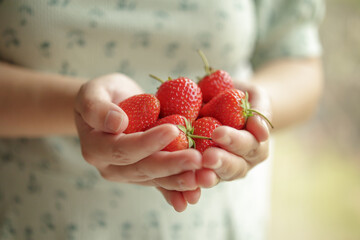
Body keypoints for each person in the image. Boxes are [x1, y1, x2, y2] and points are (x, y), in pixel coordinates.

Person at [0, 0, 324, 239]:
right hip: (37, 216)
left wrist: (254, 117)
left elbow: (298, 60)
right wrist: (78, 107)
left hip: (211, 223)